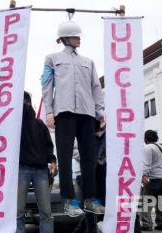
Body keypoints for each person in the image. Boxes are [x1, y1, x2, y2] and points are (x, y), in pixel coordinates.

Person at [41, 21, 105, 217]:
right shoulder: (52, 59)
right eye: (76, 36)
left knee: (89, 158)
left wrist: (100, 112)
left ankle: (90, 199)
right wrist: (49, 112)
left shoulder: (89, 61)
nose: (79, 39)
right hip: (64, 111)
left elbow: (96, 87)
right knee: (65, 156)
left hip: (86, 113)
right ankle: (69, 201)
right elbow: (46, 85)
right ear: (65, 38)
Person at [14, 92, 61, 233]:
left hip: (41, 170)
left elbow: (49, 146)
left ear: (30, 102)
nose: (25, 106)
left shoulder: (40, 124)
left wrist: (53, 161)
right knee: (18, 212)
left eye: (26, 102)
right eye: (22, 102)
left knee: (46, 212)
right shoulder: (13, 125)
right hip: (21, 169)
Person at [140, 130, 162, 231]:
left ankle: (147, 224)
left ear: (145, 138)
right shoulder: (161, 147)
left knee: (146, 202)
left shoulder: (148, 148)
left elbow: (147, 163)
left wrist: (144, 175)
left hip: (153, 179)